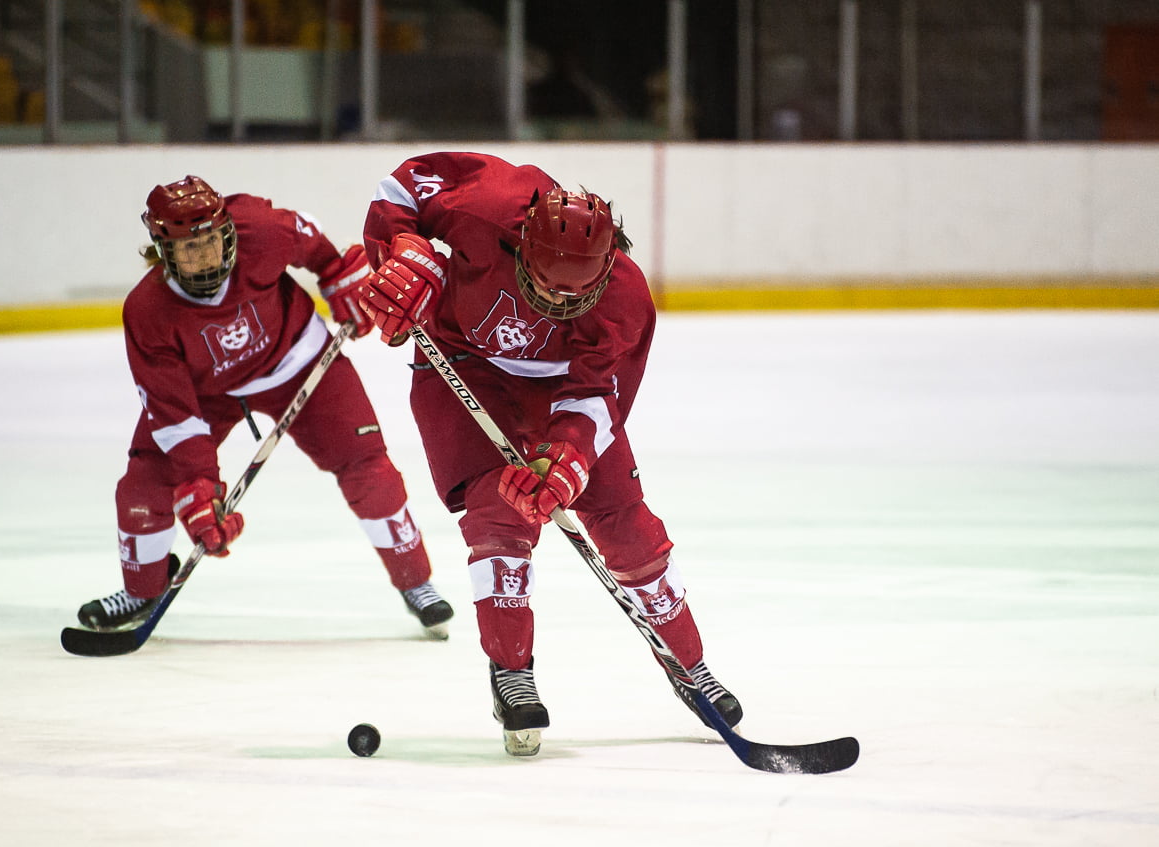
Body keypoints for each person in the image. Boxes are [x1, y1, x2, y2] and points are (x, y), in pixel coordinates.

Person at [354, 152, 741, 755]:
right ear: (518, 249)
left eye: (576, 294)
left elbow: (595, 397)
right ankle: (511, 669)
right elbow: (399, 189)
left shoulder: (625, 299)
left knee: (629, 529)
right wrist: (403, 252)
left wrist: (568, 460)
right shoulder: (487, 204)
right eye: (546, 287)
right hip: (463, 364)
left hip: (562, 390)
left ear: (607, 265)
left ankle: (689, 665)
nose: (560, 304)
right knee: (497, 515)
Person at [76, 175, 453, 640]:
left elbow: (309, 237)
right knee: (145, 481)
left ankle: (417, 583)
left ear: (228, 231)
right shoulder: (147, 311)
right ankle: (140, 591)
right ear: (161, 251)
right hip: (207, 394)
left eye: (211, 241)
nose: (205, 256)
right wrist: (199, 486)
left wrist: (338, 274)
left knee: (369, 469)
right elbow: (173, 413)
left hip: (299, 359)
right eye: (188, 249)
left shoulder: (259, 228)